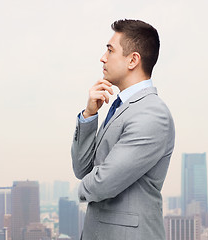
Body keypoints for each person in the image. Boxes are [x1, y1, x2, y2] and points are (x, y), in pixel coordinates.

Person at [71, 19, 175, 240]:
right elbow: (82, 168)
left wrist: (79, 189)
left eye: (110, 50)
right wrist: (89, 116)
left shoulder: (151, 113)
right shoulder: (119, 107)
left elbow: (102, 184)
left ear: (133, 60)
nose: (102, 57)